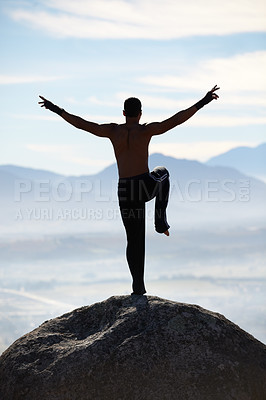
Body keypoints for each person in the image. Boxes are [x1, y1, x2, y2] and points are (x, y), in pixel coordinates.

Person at [39, 85, 220, 295]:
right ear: (140, 113)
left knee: (134, 240)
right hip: (144, 186)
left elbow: (82, 124)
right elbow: (176, 120)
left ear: (123, 113)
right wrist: (203, 101)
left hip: (124, 190)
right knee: (163, 173)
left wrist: (56, 109)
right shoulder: (145, 131)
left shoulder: (112, 131)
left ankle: (138, 286)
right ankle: (160, 222)